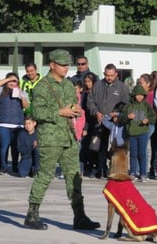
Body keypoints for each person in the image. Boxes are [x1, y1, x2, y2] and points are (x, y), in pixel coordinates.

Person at [24, 49, 100, 230]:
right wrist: (60, 112)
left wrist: (74, 109)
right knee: (45, 175)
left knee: (74, 176)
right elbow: (37, 112)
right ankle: (32, 214)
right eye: (62, 64)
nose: (66, 68)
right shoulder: (42, 86)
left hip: (68, 136)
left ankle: (79, 216)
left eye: (67, 65)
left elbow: (74, 103)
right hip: (50, 137)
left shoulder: (68, 85)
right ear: (52, 65)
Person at [87, 63, 130, 179]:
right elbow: (90, 101)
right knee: (99, 146)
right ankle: (101, 169)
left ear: (116, 74)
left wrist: (118, 114)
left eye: (111, 75)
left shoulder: (122, 87)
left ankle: (114, 169)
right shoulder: (98, 86)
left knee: (115, 148)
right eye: (107, 75)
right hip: (100, 121)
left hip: (115, 123)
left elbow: (126, 104)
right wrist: (95, 112)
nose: (109, 78)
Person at [0, 73, 29, 175]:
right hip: (3, 123)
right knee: (4, 145)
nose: (12, 83)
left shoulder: (22, 92)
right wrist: (8, 79)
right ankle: (3, 167)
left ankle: (14, 166)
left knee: (15, 146)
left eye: (14, 81)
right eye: (10, 81)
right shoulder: (1, 91)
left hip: (17, 124)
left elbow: (26, 106)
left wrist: (21, 97)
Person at [120, 84, 156, 182]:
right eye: (137, 95)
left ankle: (143, 173)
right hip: (132, 133)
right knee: (133, 154)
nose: (139, 97)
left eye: (141, 95)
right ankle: (132, 172)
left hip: (143, 132)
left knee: (142, 153)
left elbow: (153, 117)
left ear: (144, 96)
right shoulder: (129, 106)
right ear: (134, 95)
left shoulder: (146, 105)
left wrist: (148, 120)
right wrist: (127, 116)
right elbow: (122, 118)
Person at [80, 72, 98, 177]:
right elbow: (83, 110)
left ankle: (95, 168)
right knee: (85, 146)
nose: (87, 84)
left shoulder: (97, 93)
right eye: (86, 82)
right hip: (86, 122)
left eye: (89, 82)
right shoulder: (84, 94)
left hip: (96, 122)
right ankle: (87, 167)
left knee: (95, 146)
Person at [148, 71, 157, 179]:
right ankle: (154, 169)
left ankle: (152, 168)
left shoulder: (149, 92)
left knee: (151, 146)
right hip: (156, 120)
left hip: (152, 120)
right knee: (156, 147)